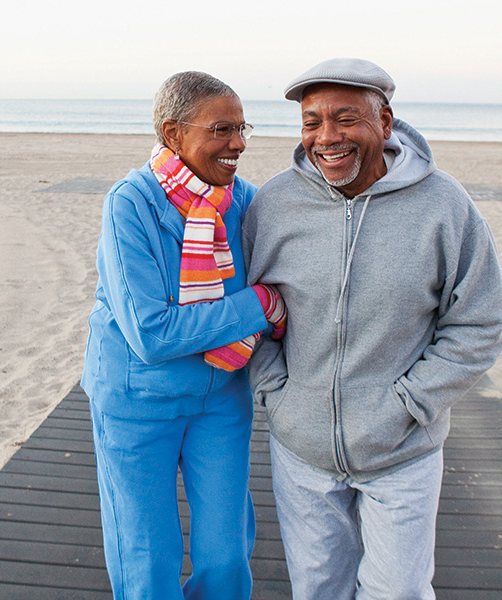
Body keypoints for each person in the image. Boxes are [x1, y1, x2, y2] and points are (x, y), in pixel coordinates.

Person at [242, 58, 502, 599]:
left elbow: (478, 324)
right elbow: (250, 310)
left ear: (384, 123)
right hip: (302, 449)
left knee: (400, 593)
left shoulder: (444, 205)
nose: (327, 137)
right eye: (312, 122)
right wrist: (277, 393)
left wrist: (408, 405)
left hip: (402, 451)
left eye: (345, 119)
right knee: (318, 589)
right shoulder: (274, 205)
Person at [81, 71, 287, 600]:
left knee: (226, 555)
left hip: (221, 396)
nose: (238, 143)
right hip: (135, 402)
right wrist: (258, 305)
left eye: (243, 128)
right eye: (221, 129)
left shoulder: (247, 201)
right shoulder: (130, 203)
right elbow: (151, 333)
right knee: (147, 556)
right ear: (173, 133)